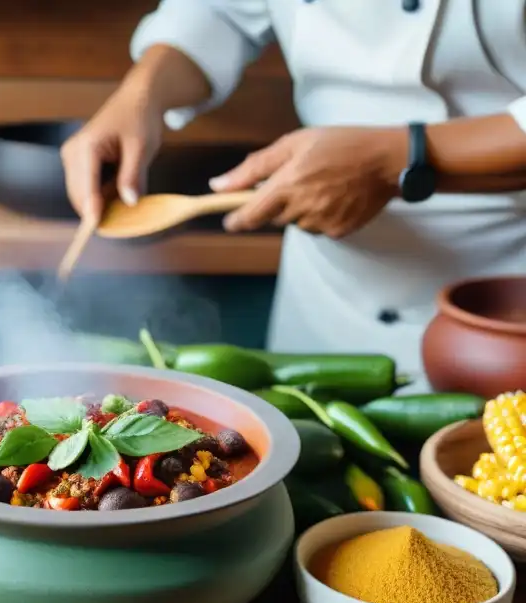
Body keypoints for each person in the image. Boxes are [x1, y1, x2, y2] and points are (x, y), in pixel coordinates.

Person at [61, 0, 526, 388]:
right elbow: (219, 10)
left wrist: (396, 158)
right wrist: (141, 93)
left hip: (504, 297)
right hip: (327, 295)